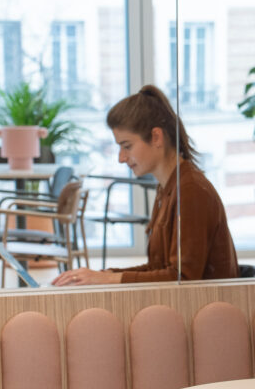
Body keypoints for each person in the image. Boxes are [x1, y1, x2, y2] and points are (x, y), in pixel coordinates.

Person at [53, 85, 238, 285]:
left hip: (203, 304)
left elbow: (181, 278)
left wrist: (108, 278)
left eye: (127, 146)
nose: (121, 158)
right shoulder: (168, 188)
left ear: (156, 137)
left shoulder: (190, 190)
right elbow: (158, 269)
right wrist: (103, 275)